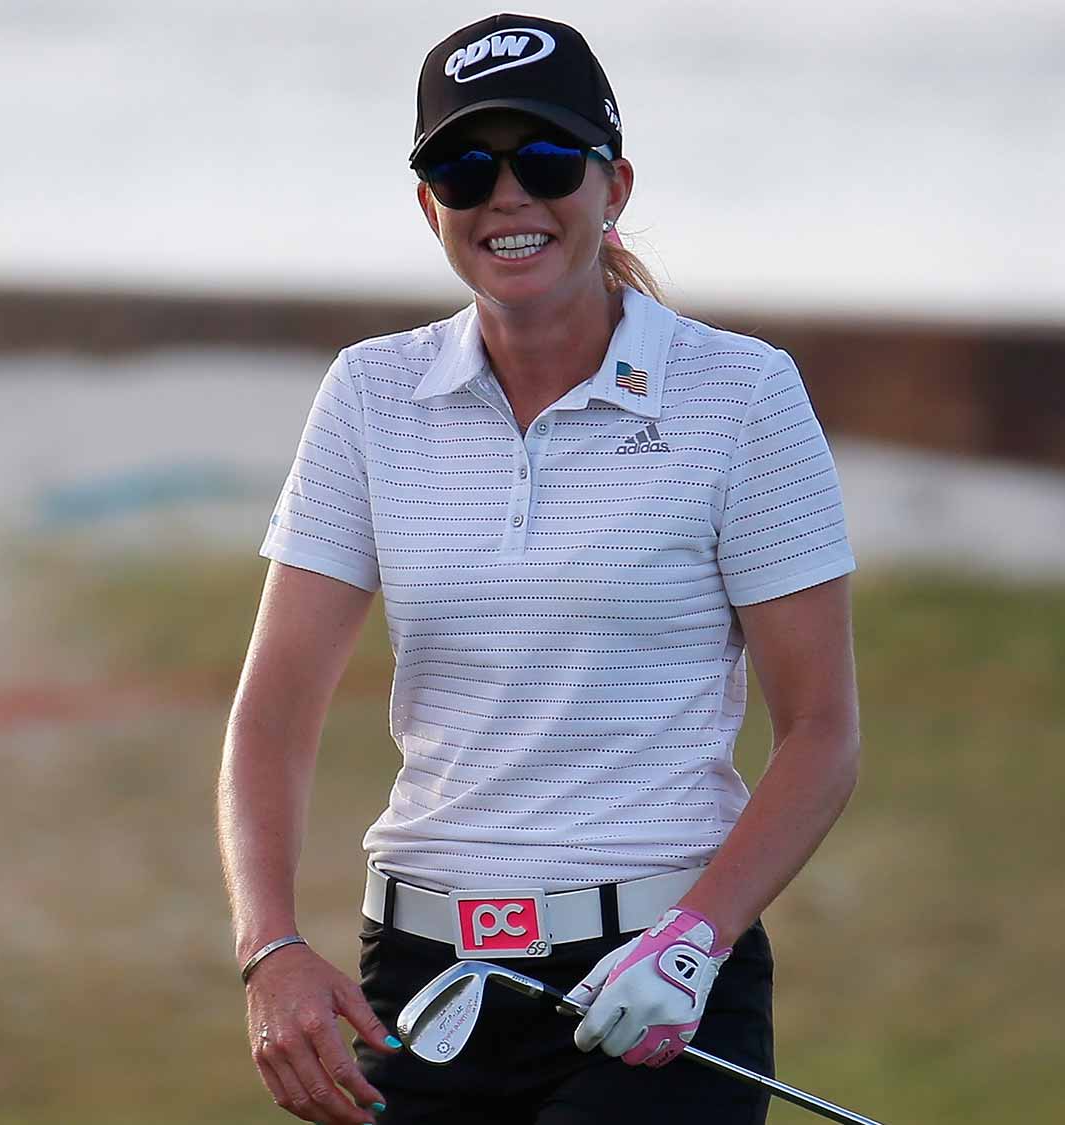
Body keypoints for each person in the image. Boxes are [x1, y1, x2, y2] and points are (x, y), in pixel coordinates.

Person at [215, 13, 861, 1125]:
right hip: (422, 989)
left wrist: (693, 945)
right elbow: (271, 713)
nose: (506, 196)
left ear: (611, 184)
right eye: (465, 169)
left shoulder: (741, 395)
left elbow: (819, 734)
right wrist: (268, 949)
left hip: (657, 991)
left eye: (546, 160)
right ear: (431, 208)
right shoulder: (371, 394)